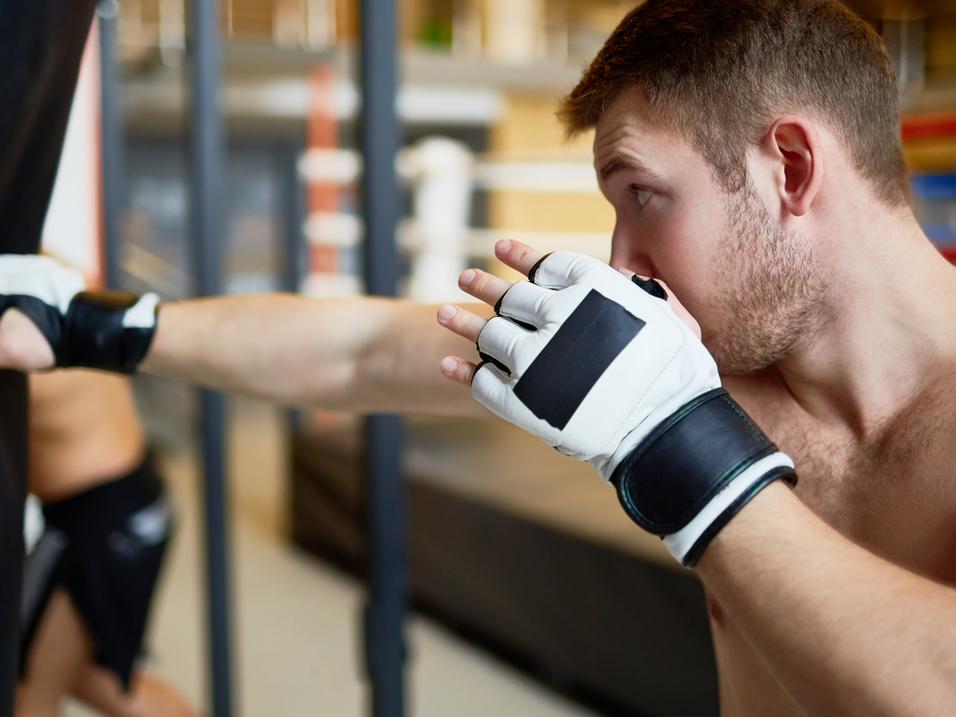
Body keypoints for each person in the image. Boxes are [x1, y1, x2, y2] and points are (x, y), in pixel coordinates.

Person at [2, 0, 956, 713]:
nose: (622, 261)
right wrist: (93, 324)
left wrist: (689, 456)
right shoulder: (723, 361)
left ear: (788, 168)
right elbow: (364, 351)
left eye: (642, 193)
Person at [0, 0, 101, 708]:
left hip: (105, 520)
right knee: (82, 684)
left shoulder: (26, 302)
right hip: (100, 508)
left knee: (69, 687)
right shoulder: (27, 285)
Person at [18, 370, 197, 717]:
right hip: (128, 495)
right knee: (94, 676)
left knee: (27, 693)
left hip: (103, 518)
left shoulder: (17, 334)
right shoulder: (48, 318)